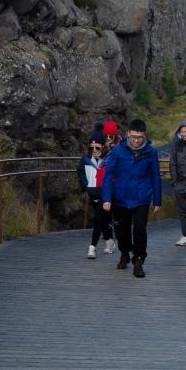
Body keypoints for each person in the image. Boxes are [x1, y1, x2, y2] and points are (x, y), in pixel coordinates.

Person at [101, 118, 162, 278]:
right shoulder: (118, 151)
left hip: (142, 196)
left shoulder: (151, 152)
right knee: (122, 229)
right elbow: (108, 175)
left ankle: (139, 260)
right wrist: (106, 198)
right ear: (128, 133)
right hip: (121, 196)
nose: (136, 140)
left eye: (139, 137)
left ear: (144, 135)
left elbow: (155, 176)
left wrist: (157, 200)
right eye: (133, 136)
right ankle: (124, 253)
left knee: (140, 229)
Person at [77, 129, 115, 258]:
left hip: (105, 193)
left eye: (97, 146)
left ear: (103, 146)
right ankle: (109, 240)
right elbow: (80, 173)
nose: (94, 149)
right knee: (104, 219)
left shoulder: (109, 159)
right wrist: (86, 187)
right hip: (92, 192)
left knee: (98, 219)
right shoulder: (85, 159)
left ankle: (92, 247)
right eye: (91, 147)